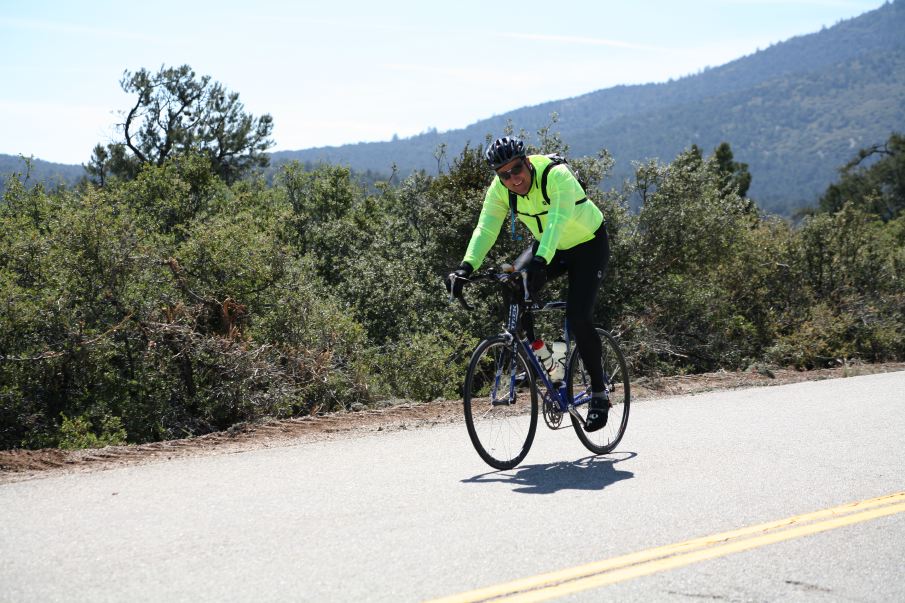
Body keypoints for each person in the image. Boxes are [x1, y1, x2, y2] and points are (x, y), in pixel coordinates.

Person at [446, 136, 612, 432]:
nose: (513, 179)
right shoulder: (500, 189)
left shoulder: (555, 175)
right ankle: (546, 362)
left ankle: (599, 394)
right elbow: (485, 228)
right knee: (513, 285)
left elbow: (557, 221)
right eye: (504, 174)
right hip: (550, 246)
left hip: (588, 244)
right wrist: (465, 267)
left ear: (528, 161)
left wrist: (541, 261)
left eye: (517, 169)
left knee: (578, 315)